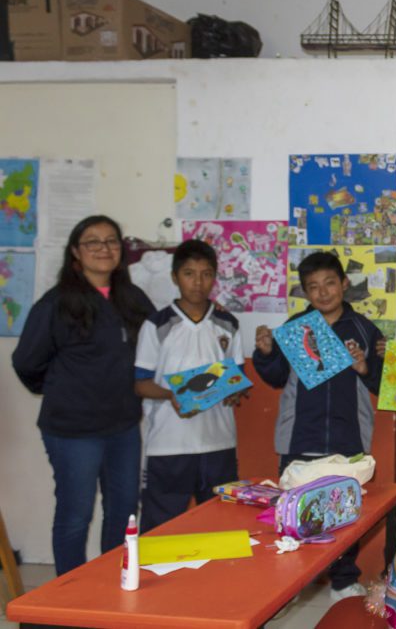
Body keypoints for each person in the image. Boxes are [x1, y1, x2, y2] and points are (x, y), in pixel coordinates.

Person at [12, 215, 154, 575]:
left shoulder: (132, 299)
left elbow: (155, 351)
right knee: (76, 515)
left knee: (124, 511)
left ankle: (111, 584)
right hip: (72, 431)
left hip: (122, 426)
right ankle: (70, 597)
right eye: (93, 242)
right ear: (76, 252)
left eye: (111, 241)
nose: (103, 249)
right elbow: (27, 361)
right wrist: (65, 389)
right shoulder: (56, 303)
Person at [253, 250, 383, 601]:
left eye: (330, 283)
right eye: (313, 286)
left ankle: (342, 581)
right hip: (299, 436)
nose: (323, 292)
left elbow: (385, 386)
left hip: (348, 436)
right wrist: (265, 353)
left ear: (344, 284)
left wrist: (365, 368)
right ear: (305, 292)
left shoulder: (364, 329)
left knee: (345, 513)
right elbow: (277, 376)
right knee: (292, 512)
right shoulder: (296, 327)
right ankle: (291, 581)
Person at [133, 240, 246, 532]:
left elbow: (237, 379)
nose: (198, 282)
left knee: (222, 525)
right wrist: (171, 395)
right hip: (169, 445)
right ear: (174, 276)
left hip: (219, 442)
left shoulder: (227, 324)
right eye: (189, 273)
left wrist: (235, 392)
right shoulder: (156, 325)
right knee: (161, 529)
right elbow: (141, 385)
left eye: (206, 273)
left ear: (214, 277)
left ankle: (219, 580)